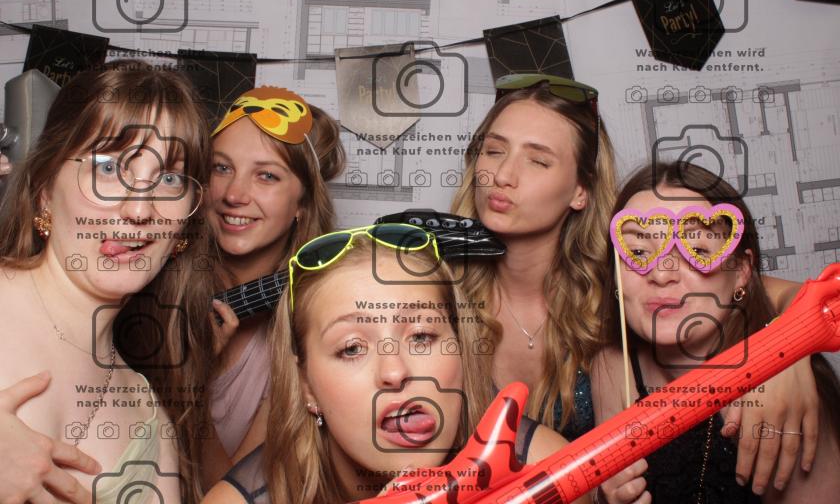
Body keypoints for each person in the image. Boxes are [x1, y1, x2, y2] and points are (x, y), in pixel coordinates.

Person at [450, 74, 821, 490]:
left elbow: (763, 292)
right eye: (494, 150)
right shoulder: (434, 289)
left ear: (580, 191)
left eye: (538, 160)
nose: (502, 175)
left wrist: (782, 355)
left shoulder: (625, 285)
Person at [202, 226, 595, 504]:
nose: (394, 372)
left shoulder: (546, 471)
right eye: (352, 348)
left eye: (421, 336)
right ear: (306, 385)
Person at [0, 59, 215, 502]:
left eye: (169, 178)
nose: (139, 210)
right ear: (45, 189)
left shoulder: (150, 423)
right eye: (108, 168)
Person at [593, 161, 840, 503]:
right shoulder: (611, 367)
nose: (661, 274)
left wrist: (785, 350)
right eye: (637, 252)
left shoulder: (776, 396)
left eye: (696, 250)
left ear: (741, 272)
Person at [200, 87, 345, 485]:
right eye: (221, 168)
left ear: (303, 204)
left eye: (266, 175)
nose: (234, 194)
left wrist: (189, 381)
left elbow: (230, 493)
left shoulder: (309, 333)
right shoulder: (150, 287)